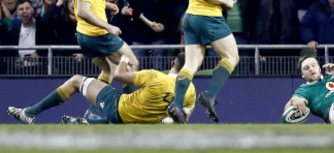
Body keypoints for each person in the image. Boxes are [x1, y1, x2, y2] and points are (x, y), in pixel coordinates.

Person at [167, 0, 238, 124]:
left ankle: (177, 105)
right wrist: (225, 1)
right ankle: (210, 95)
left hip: (190, 18)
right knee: (231, 56)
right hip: (208, 16)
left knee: (190, 65)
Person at [7, 52, 195, 125]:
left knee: (76, 81)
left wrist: (123, 60)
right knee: (112, 83)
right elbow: (181, 119)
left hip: (118, 109)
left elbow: (119, 75)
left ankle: (30, 113)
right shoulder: (191, 91)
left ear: (172, 63)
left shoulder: (156, 76)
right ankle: (86, 122)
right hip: (142, 121)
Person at [70, 0, 139, 117]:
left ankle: (91, 113)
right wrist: (108, 26)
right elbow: (83, 10)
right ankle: (132, 111)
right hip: (98, 34)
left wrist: (105, 4)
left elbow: (83, 0)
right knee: (132, 63)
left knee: (108, 70)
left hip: (84, 35)